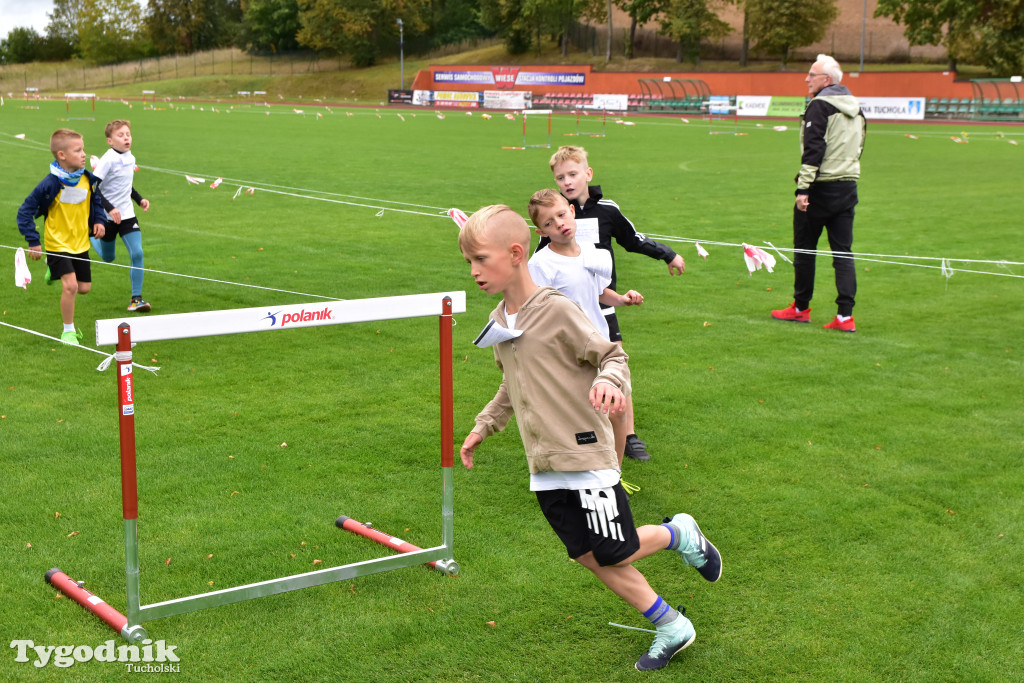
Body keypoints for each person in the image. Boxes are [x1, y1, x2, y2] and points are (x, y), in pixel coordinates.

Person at [458, 205, 721, 672]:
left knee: (613, 550)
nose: (475, 271)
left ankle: (679, 533)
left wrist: (609, 382)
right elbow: (511, 385)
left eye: (481, 259)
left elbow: (611, 355)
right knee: (586, 554)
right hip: (544, 465)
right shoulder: (501, 320)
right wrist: (483, 425)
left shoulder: (557, 310)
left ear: (516, 254)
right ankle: (671, 624)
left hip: (585, 452)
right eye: (469, 263)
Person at [539, 145, 685, 461]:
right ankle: (579, 435)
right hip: (568, 312)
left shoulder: (607, 209)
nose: (567, 182)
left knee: (616, 368)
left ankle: (628, 435)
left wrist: (667, 254)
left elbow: (633, 239)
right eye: (560, 177)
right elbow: (542, 261)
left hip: (603, 305)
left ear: (588, 174)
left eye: (573, 174)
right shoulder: (553, 218)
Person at [527, 188, 643, 464]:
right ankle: (582, 470)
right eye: (549, 223)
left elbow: (599, 291)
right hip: (570, 351)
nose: (559, 224)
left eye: (561, 214)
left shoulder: (592, 251)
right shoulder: (541, 264)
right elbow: (537, 312)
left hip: (601, 344)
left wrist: (623, 299)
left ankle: (614, 475)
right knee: (584, 417)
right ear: (541, 232)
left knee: (617, 409)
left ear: (571, 210)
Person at [771, 53, 866, 333]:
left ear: (826, 79)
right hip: (848, 185)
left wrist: (803, 189)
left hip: (821, 188)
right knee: (843, 253)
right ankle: (845, 315)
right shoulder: (858, 108)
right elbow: (860, 146)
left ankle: (800, 308)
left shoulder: (819, 106)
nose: (806, 79)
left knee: (804, 249)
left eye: (811, 74)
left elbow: (814, 151)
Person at [17, 128, 106, 345]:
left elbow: (96, 202)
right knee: (71, 287)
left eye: (83, 149)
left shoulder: (88, 179)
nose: (84, 154)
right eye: (78, 150)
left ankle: (52, 268)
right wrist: (33, 240)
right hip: (57, 244)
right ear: (62, 155)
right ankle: (68, 331)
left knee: (84, 288)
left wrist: (99, 221)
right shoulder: (50, 183)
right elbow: (24, 211)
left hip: (80, 243)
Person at [91, 119, 152, 312]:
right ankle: (90, 235)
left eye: (128, 134)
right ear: (110, 141)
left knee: (138, 253)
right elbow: (93, 187)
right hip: (108, 217)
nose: (126, 138)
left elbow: (126, 184)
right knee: (109, 257)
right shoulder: (107, 160)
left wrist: (139, 199)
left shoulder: (130, 157)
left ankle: (136, 299)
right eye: (120, 135)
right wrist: (109, 209)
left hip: (127, 215)